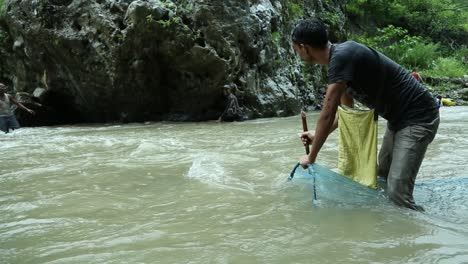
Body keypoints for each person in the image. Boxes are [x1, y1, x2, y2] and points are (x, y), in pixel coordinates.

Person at [292, 18, 439, 210]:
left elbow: (327, 114)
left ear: (304, 47)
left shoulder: (342, 58)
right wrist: (317, 134)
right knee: (382, 178)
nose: (298, 53)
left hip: (419, 117)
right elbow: (347, 113)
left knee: (397, 193)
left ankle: (416, 234)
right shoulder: (340, 63)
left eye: (296, 49)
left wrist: (311, 157)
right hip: (398, 120)